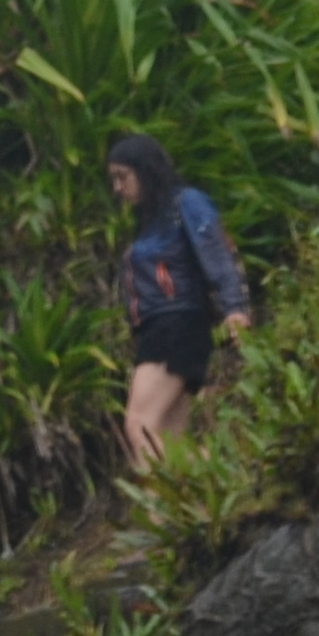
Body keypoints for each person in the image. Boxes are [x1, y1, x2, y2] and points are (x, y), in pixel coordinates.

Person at [106, 134, 255, 470]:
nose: (118, 188)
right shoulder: (150, 220)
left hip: (178, 325)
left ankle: (234, 470)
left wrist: (235, 309)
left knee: (139, 425)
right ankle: (190, 511)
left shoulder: (185, 203)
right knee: (167, 437)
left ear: (145, 171)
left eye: (122, 177)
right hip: (160, 329)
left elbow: (218, 255)